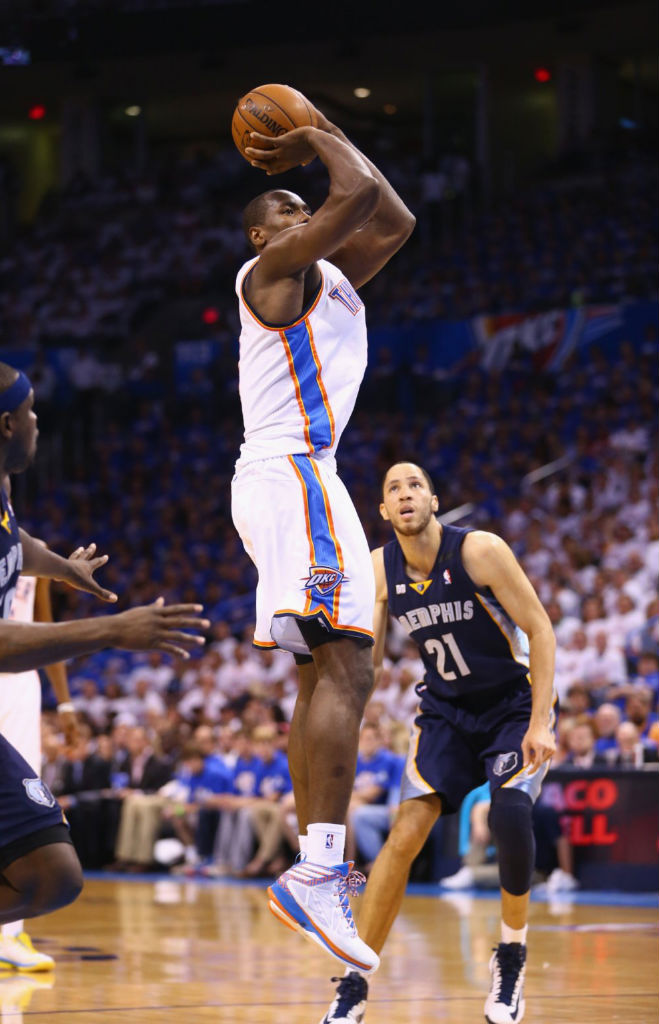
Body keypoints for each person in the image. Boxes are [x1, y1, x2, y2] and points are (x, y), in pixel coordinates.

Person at [230, 97, 415, 974]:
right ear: (264, 238)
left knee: (323, 667)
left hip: (294, 476)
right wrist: (309, 139)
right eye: (287, 214)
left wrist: (323, 136)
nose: (302, 216)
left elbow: (391, 213)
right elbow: (349, 200)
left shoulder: (328, 278)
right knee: (350, 660)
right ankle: (320, 868)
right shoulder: (267, 273)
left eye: (302, 210)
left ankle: (314, 867)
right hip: (294, 469)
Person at [319, 462, 557, 1024]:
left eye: (414, 485)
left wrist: (541, 721)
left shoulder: (479, 551)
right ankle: (354, 983)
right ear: (383, 511)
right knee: (403, 835)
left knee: (510, 812)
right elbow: (367, 665)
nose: (405, 494)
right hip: (445, 711)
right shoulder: (379, 569)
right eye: (393, 489)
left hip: (512, 704)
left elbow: (542, 630)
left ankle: (512, 956)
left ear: (432, 498)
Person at [0, 360, 208, 934]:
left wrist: (62, 570)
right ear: (7, 424)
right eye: (30, 413)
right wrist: (111, 631)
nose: (38, 422)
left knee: (52, 874)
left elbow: (14, 541)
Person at [0, 573, 78, 970]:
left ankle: (12, 935)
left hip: (20, 680)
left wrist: (65, 704)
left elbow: (46, 631)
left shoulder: (31, 551)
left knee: (24, 799)